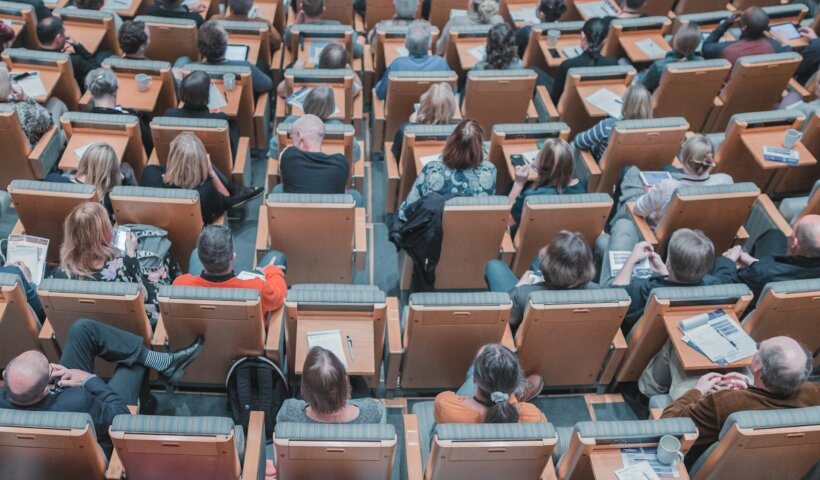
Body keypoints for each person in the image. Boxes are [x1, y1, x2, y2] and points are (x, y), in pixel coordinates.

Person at [0, 319, 204, 456]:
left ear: (4, 375)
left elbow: (35, 398)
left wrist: (52, 380)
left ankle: (164, 363)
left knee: (83, 329)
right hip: (93, 438)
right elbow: (119, 416)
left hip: (52, 409)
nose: (54, 366)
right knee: (132, 363)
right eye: (50, 368)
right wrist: (89, 379)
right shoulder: (78, 402)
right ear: (45, 388)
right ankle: (148, 402)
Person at [660, 336, 818, 450]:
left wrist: (697, 390)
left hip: (697, 456)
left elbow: (668, 426)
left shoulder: (722, 403)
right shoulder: (815, 393)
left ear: (757, 367)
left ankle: (642, 394)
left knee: (672, 346)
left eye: (758, 349)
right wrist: (750, 388)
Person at [49, 202, 166, 325]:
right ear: (104, 233)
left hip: (82, 335)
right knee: (160, 266)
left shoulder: (58, 276)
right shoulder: (122, 269)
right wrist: (131, 256)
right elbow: (143, 298)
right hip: (127, 333)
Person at [608, 228, 737, 333]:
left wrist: (632, 259)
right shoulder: (717, 288)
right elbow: (727, 275)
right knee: (603, 242)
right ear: (707, 267)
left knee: (623, 227)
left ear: (668, 262)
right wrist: (665, 273)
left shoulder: (648, 291)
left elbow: (614, 298)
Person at [140, 132, 261, 222]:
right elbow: (227, 200)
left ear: (172, 156)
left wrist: (178, 166)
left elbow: (166, 170)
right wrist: (211, 172)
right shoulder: (204, 193)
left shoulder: (149, 174)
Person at [484, 231, 597, 328]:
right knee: (536, 260)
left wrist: (519, 286)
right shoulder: (596, 291)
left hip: (526, 338)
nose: (542, 251)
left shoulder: (523, 295)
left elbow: (504, 318)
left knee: (494, 266)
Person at [173, 224, 287, 316]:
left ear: (199, 256)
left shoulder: (180, 285)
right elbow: (279, 296)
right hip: (246, 342)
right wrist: (272, 271)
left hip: (202, 341)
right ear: (233, 256)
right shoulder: (257, 289)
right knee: (276, 256)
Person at [397, 119, 497, 221]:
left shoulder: (432, 170)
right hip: (472, 231)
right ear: (480, 147)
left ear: (451, 141)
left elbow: (406, 213)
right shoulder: (490, 170)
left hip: (433, 233)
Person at [628, 134, 732, 229]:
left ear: (681, 159)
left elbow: (638, 210)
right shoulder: (726, 181)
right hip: (699, 232)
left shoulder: (667, 187)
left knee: (630, 171)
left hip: (660, 232)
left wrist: (653, 196)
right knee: (667, 167)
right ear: (711, 161)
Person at [722, 214, 820, 307]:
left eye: (792, 234)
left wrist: (727, 262)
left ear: (794, 243)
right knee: (774, 236)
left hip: (755, 309)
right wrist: (755, 262)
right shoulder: (764, 270)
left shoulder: (762, 272)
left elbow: (727, 287)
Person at [434, 344, 546, 424]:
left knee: (483, 350)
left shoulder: (446, 405)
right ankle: (515, 397)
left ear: (474, 379)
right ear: (516, 383)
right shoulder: (533, 416)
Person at [276, 347, 384, 424]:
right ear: (345, 380)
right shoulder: (373, 411)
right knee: (360, 381)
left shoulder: (288, 412)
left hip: (307, 455)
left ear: (304, 386)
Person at [507, 138, 587, 235]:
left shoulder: (530, 198)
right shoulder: (583, 185)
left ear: (541, 166)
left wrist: (518, 184)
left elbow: (506, 221)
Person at [268, 86, 361, 161]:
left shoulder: (291, 122)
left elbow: (274, 150)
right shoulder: (339, 127)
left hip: (298, 167)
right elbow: (355, 154)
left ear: (306, 103)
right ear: (331, 108)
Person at [46, 143, 130, 222]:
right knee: (126, 167)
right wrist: (124, 179)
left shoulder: (52, 180)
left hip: (51, 227)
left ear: (83, 161)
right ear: (110, 173)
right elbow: (129, 199)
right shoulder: (108, 202)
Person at [164, 70, 240, 156]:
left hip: (181, 158)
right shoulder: (219, 119)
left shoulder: (169, 116)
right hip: (213, 161)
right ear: (207, 95)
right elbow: (230, 145)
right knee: (233, 124)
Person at [573, 82, 652, 162]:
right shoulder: (652, 131)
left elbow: (579, 142)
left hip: (597, 166)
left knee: (572, 145)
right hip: (627, 169)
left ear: (626, 106)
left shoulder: (608, 126)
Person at [188, 21, 273, 94]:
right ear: (225, 43)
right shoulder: (245, 68)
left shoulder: (191, 70)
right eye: (225, 33)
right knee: (262, 64)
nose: (227, 34)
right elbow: (267, 84)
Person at [84, 68, 153, 156]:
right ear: (115, 91)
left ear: (92, 93)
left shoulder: (83, 120)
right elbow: (150, 148)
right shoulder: (132, 121)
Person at [278, 114, 351, 196]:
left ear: (300, 136)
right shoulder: (341, 163)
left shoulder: (287, 156)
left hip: (293, 209)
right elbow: (343, 193)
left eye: (292, 136)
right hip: (329, 209)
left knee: (277, 189)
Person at [375, 20, 449, 100]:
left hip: (401, 112)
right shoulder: (441, 63)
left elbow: (380, 93)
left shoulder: (397, 65)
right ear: (429, 45)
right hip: (432, 111)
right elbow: (453, 91)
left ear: (406, 44)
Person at [550, 17, 617, 103]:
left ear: (583, 35)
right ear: (604, 41)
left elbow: (555, 99)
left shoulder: (568, 65)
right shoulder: (612, 63)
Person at [701, 7, 791, 68]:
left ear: (744, 27)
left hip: (731, 93)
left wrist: (726, 24)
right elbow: (790, 62)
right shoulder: (776, 47)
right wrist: (786, 43)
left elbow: (706, 47)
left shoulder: (725, 49)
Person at [391, 82, 456, 162]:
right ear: (452, 107)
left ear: (424, 104)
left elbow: (396, 153)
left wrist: (412, 125)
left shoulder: (405, 130)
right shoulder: (462, 132)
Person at [276, 42, 363, 99]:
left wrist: (295, 73)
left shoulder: (304, 77)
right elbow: (359, 86)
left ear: (319, 58)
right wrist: (350, 70)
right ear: (344, 65)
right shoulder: (347, 84)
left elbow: (280, 91)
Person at [37, 17, 103, 91]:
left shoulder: (30, 58)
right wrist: (77, 46)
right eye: (63, 34)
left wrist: (61, 53)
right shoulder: (75, 61)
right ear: (58, 38)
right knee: (103, 54)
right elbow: (100, 76)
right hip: (82, 94)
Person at [283, 0, 364, 58]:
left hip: (306, 78)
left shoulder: (295, 32)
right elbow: (357, 52)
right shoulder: (336, 26)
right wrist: (360, 40)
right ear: (323, 9)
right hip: (332, 75)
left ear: (301, 7)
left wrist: (297, 21)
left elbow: (287, 38)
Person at [0, 65, 56, 146]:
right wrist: (24, 97)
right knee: (56, 102)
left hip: (7, 156)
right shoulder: (22, 110)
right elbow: (49, 122)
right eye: (9, 80)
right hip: (35, 153)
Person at [639, 23, 702, 92]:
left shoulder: (659, 66)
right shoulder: (703, 64)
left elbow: (641, 87)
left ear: (676, 40)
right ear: (697, 44)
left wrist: (649, 72)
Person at [212, 0, 283, 55]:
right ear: (251, 6)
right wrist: (264, 20)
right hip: (254, 58)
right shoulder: (261, 24)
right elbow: (276, 42)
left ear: (229, 4)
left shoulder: (215, 21)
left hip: (218, 55)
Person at [436, 0, 505, 55]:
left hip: (457, 68)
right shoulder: (499, 21)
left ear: (471, 4)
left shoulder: (456, 22)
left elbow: (439, 49)